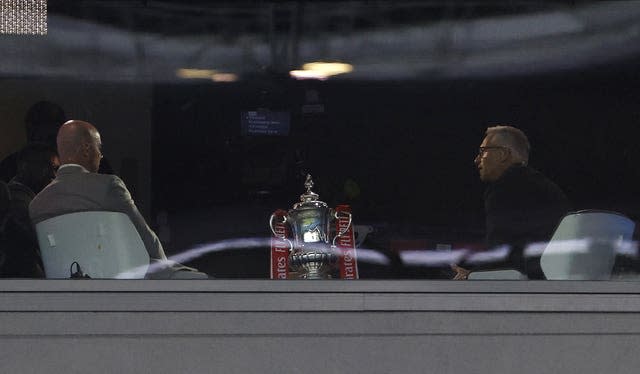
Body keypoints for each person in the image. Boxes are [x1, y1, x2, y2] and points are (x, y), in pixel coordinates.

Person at [29, 120, 199, 278]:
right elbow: (145, 238)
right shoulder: (108, 186)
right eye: (99, 148)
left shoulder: (37, 204)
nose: (100, 155)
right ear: (87, 149)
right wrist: (164, 268)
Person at [453, 125, 570, 279]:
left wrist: (470, 275)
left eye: (482, 152)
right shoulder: (548, 187)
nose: (476, 160)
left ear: (502, 154)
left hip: (529, 283)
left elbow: (501, 254)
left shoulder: (504, 187)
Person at [0, 143, 59, 277]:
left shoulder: (30, 199)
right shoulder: (17, 203)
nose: (53, 174)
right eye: (47, 166)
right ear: (24, 166)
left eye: (55, 169)